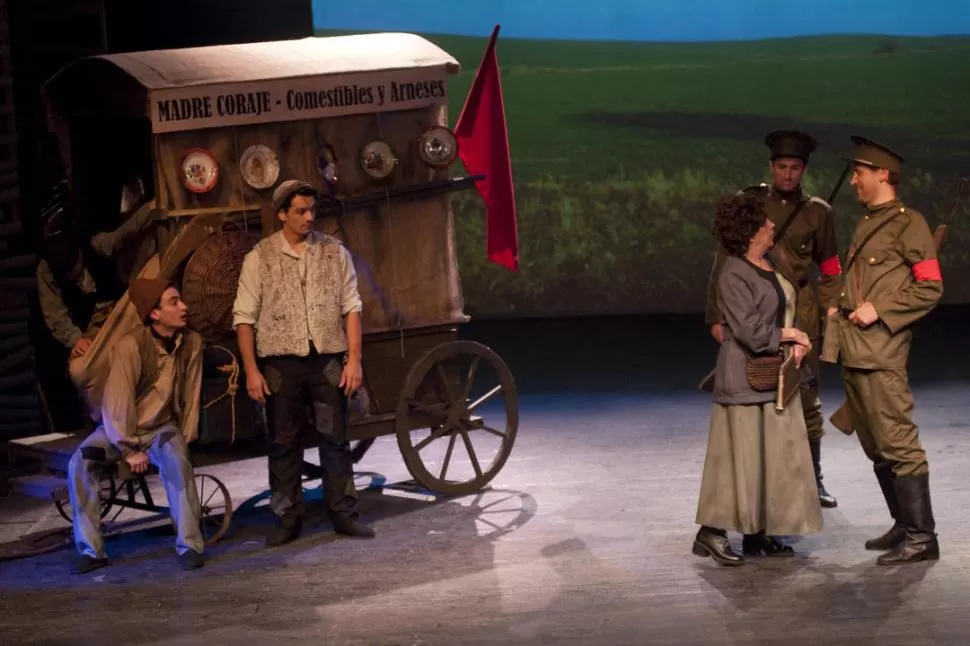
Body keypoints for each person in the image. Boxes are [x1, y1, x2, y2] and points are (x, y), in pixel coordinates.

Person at [821, 136, 943, 565]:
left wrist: (880, 309)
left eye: (860, 172)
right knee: (875, 445)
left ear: (883, 175)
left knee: (899, 444)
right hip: (854, 350)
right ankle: (903, 524)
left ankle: (922, 538)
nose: (854, 180)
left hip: (881, 352)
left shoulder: (909, 224)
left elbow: (930, 286)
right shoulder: (868, 221)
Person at [233, 179, 374, 547]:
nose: (309, 217)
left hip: (326, 359)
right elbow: (243, 318)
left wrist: (354, 360)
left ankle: (344, 513)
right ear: (282, 214)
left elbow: (351, 307)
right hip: (281, 364)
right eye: (300, 211)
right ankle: (286, 518)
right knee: (282, 444)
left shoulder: (333, 252)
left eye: (312, 210)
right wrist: (250, 369)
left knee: (335, 439)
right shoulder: (259, 258)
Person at [705, 130, 842, 509]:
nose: (787, 175)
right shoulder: (751, 205)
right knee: (760, 389)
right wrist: (716, 314)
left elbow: (830, 267)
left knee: (807, 397)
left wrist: (832, 311)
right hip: (759, 306)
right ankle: (764, 480)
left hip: (802, 308)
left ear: (804, 170)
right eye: (781, 167)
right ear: (771, 166)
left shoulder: (819, 213)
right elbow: (724, 262)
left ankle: (812, 479)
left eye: (794, 168)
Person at [693, 193, 823, 566]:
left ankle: (757, 533)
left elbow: (782, 312)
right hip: (745, 378)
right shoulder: (734, 271)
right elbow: (749, 331)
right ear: (750, 231)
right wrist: (792, 337)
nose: (771, 226)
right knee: (739, 459)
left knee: (768, 458)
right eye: (764, 223)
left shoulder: (768, 264)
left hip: (773, 375)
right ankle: (711, 532)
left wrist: (795, 341)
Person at [66, 278, 205, 574]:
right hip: (119, 430)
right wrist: (127, 449)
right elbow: (117, 403)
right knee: (80, 463)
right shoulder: (131, 345)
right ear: (154, 313)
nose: (184, 307)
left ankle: (189, 544)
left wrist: (187, 436)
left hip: (161, 428)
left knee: (177, 460)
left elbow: (191, 392)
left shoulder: (191, 342)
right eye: (174, 302)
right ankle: (91, 551)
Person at [36, 183, 160, 361]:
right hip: (90, 325)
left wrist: (151, 208)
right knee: (82, 369)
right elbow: (54, 313)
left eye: (75, 270)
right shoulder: (46, 270)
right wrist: (75, 339)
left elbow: (126, 232)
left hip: (119, 307)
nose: (72, 276)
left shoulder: (94, 246)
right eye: (67, 274)